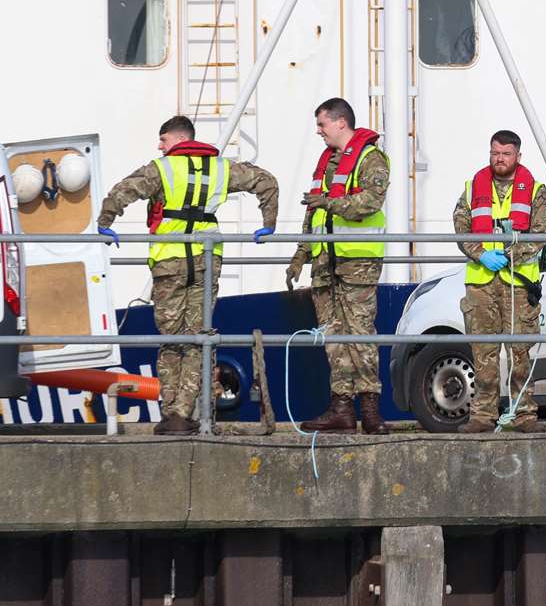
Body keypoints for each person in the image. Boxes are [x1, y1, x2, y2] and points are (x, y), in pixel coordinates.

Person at [97, 115, 279, 435]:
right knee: (198, 338)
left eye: (163, 139)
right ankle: (186, 412)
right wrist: (269, 222)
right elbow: (266, 182)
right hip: (207, 261)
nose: (159, 145)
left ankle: (171, 415)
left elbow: (124, 190)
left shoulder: (162, 168)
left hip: (169, 262)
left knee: (171, 340)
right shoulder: (221, 168)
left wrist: (106, 220)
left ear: (178, 139)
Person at [286, 98, 390, 433]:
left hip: (357, 261)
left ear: (340, 122)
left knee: (360, 334)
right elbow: (313, 211)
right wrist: (300, 255)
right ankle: (341, 408)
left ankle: (371, 409)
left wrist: (330, 203)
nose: (318, 131)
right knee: (332, 337)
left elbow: (371, 201)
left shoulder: (371, 158)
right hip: (325, 262)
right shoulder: (327, 161)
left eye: (322, 125)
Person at [453, 130, 546, 433]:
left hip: (519, 283)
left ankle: (524, 414)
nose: (499, 159)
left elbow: (541, 233)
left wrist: (510, 254)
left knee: (520, 352)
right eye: (495, 152)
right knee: (483, 352)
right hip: (481, 283)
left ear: (518, 156)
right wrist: (480, 253)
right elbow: (460, 226)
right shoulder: (473, 187)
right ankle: (482, 415)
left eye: (506, 153)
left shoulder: (536, 190)